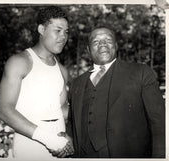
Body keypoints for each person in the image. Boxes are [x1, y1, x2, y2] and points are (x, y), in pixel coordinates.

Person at [67, 27, 165, 158]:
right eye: (96, 42)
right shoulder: (76, 83)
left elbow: (159, 123)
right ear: (88, 50)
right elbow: (72, 126)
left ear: (116, 46)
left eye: (108, 40)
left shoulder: (141, 72)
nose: (102, 44)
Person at [0, 6, 74, 159]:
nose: (63, 36)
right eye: (57, 30)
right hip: (30, 145)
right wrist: (49, 139)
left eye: (66, 32)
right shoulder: (19, 62)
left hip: (62, 144)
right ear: (41, 29)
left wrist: (72, 135)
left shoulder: (62, 70)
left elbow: (63, 109)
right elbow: (4, 110)